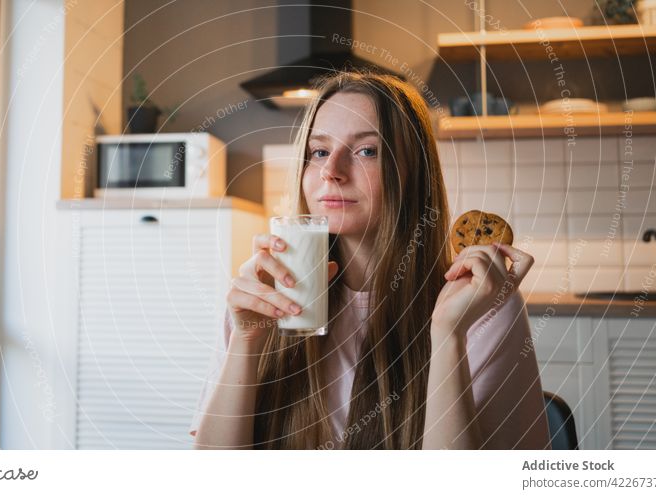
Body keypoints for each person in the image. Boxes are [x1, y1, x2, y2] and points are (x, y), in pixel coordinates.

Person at [189, 69, 551, 450]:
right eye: (319, 152)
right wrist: (246, 341)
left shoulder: (480, 305)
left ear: (415, 174)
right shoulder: (264, 297)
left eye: (366, 151)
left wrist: (448, 336)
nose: (331, 172)